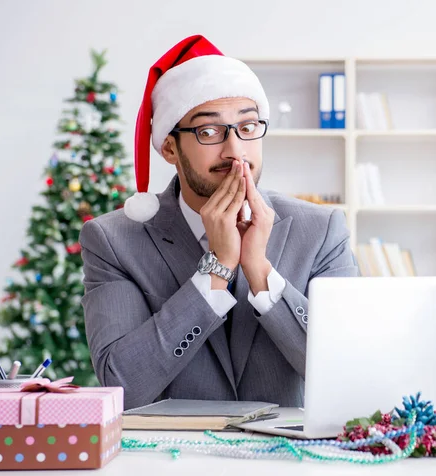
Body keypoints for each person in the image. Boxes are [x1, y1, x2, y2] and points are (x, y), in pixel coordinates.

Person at [79, 35, 358, 410]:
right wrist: (216, 269)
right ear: (169, 148)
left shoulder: (322, 230)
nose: (235, 151)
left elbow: (349, 371)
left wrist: (259, 271)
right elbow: (123, 385)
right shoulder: (113, 240)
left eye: (247, 127)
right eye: (209, 132)